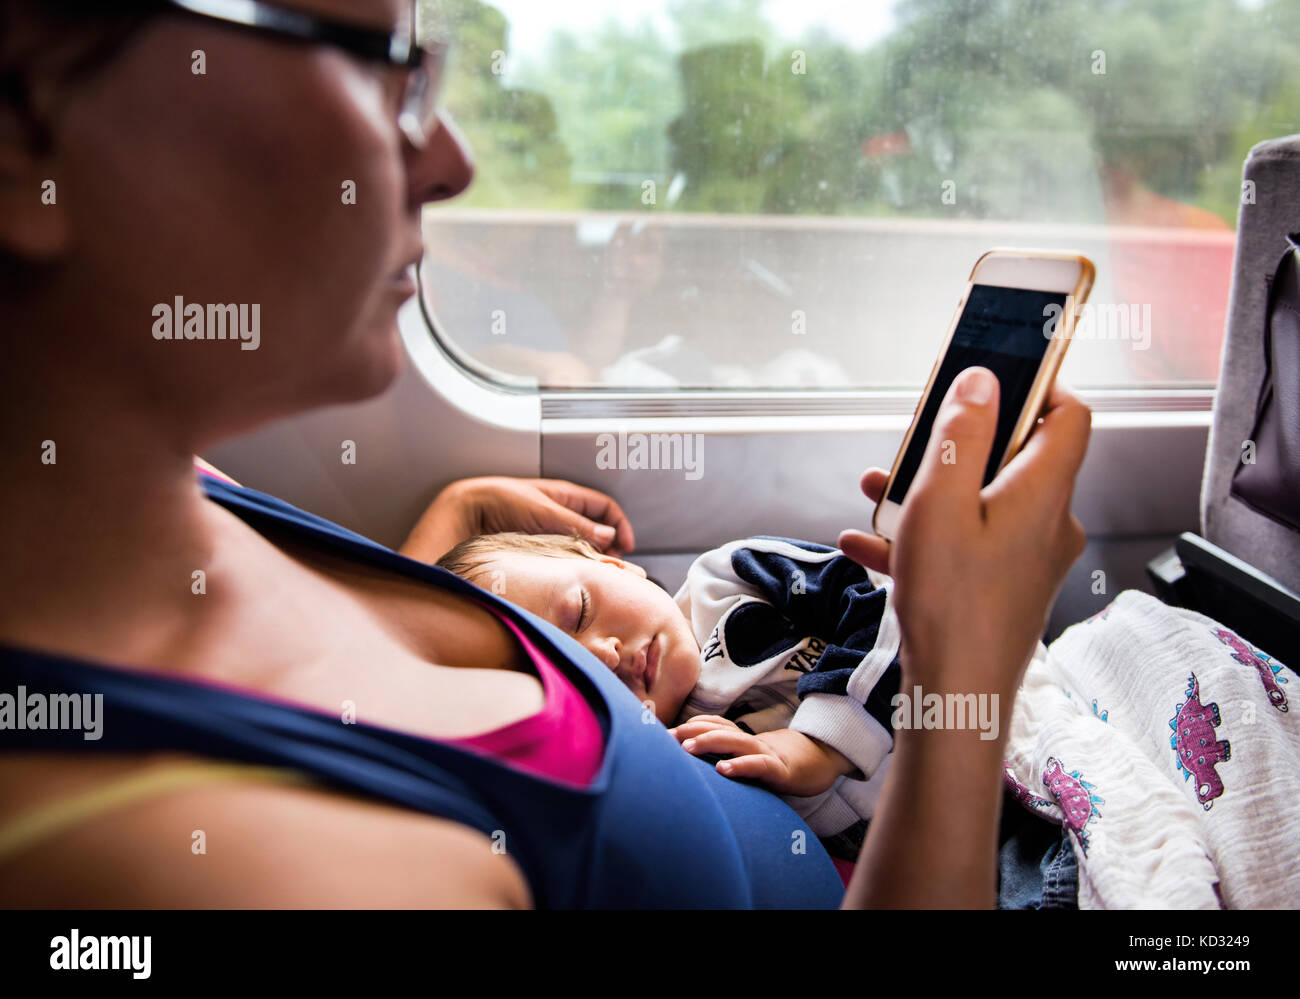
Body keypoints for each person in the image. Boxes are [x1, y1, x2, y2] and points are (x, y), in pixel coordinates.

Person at [0, 0, 1090, 908]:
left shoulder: (169, 503)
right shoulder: (252, 869)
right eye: (388, 70)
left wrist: (455, 518)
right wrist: (967, 678)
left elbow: (373, 683)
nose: (450, 159)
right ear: (24, 124)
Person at [435, 531, 901, 865]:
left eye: (581, 612)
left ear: (613, 564)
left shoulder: (730, 580)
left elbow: (886, 605)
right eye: (574, 674)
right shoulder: (677, 756)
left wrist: (820, 746)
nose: (605, 654)